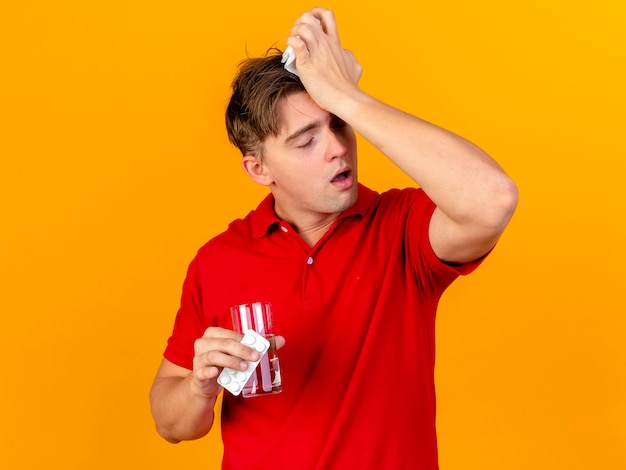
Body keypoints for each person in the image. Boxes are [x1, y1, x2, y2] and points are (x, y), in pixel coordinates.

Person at [150, 7, 518, 469]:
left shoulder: (403, 228)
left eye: (339, 124)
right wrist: (197, 388)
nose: (337, 148)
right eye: (306, 140)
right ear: (258, 169)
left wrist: (347, 97)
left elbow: (492, 198)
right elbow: (171, 423)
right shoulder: (218, 259)